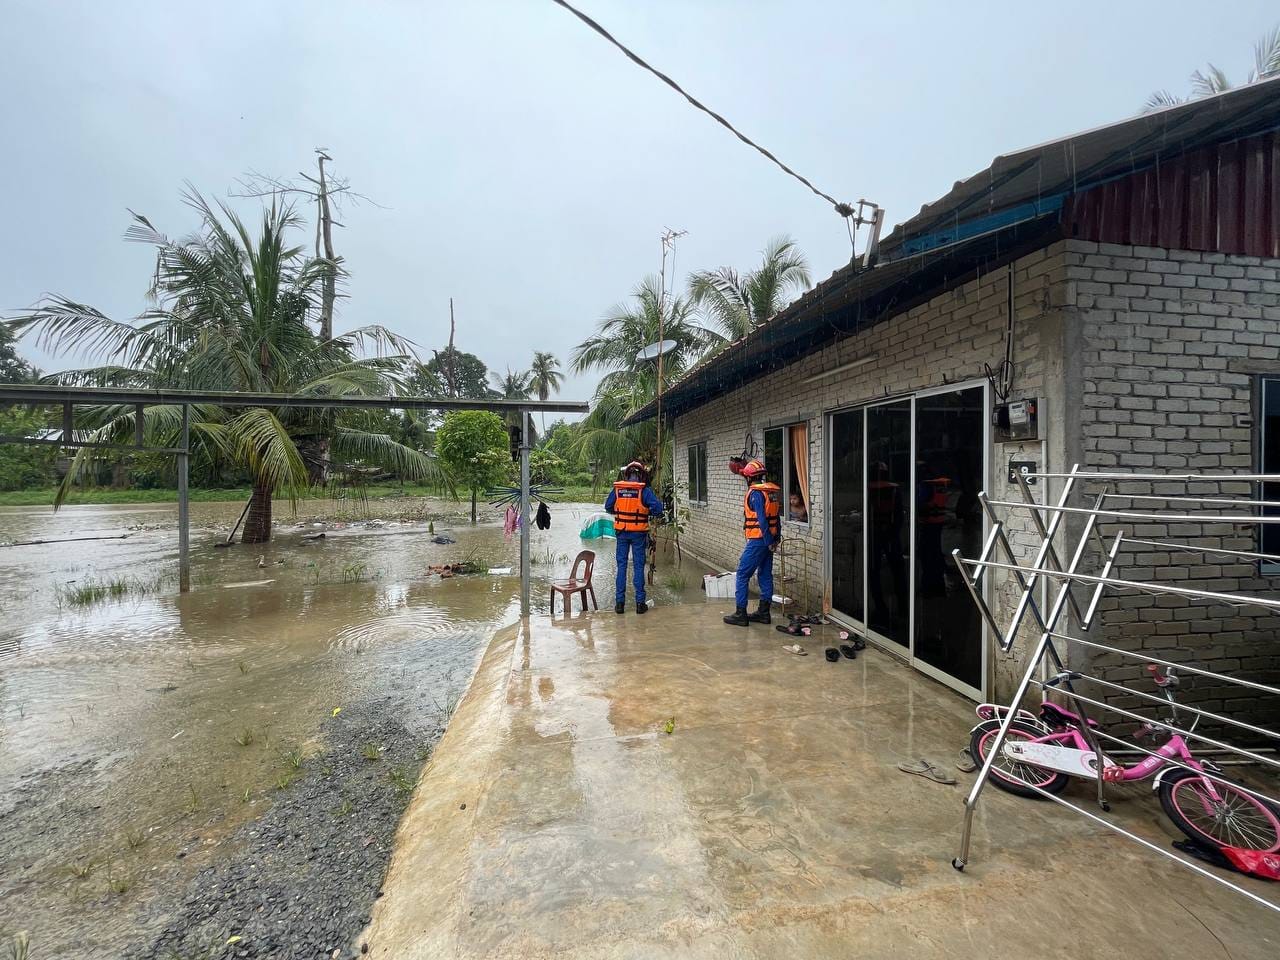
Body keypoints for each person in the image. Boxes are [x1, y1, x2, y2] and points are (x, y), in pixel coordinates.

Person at [724, 458, 781, 627]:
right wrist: (775, 539)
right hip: (769, 539)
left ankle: (740, 614)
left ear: (749, 477)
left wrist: (768, 540)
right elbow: (776, 518)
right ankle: (764, 613)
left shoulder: (755, 493)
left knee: (742, 574)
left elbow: (762, 520)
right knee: (765, 574)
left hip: (758, 540)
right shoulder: (770, 492)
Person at [604, 460, 664, 614]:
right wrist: (646, 512)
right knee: (638, 567)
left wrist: (622, 511)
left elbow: (608, 506)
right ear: (642, 475)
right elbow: (658, 509)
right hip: (638, 534)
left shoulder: (618, 489)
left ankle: (619, 605)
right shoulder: (644, 491)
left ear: (627, 475)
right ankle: (640, 604)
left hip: (622, 532)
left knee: (621, 566)